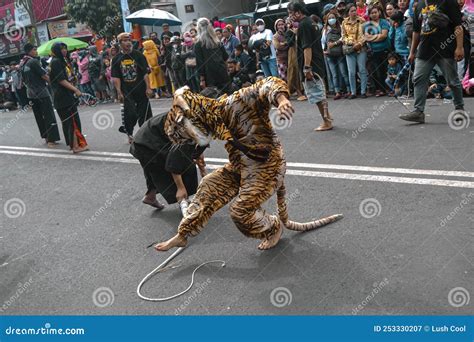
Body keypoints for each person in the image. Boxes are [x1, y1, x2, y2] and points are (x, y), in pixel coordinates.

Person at [399, 0, 465, 123]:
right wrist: (412, 52)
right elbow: (416, 31)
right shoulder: (419, 5)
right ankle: (418, 111)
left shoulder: (448, 2)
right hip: (425, 50)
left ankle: (459, 108)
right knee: (418, 78)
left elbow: (458, 26)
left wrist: (459, 47)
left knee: (452, 80)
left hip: (445, 48)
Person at [130, 110, 208, 211]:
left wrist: (203, 170)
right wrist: (180, 188)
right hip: (147, 142)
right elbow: (174, 160)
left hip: (144, 140)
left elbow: (198, 147)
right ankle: (184, 200)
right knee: (185, 166)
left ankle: (151, 196)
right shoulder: (188, 124)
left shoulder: (199, 119)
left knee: (156, 171)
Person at [288, 0, 333, 131]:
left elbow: (307, 48)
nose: (290, 15)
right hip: (318, 61)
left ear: (298, 12)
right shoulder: (310, 22)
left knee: (317, 94)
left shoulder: (304, 25)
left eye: (291, 13)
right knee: (320, 92)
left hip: (312, 64)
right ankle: (328, 117)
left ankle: (326, 121)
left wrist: (307, 67)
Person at [111, 32, 153, 142]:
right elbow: (116, 77)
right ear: (120, 43)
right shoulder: (116, 59)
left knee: (144, 112)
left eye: (129, 40)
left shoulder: (139, 55)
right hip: (126, 91)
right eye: (125, 41)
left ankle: (145, 134)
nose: (128, 43)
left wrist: (148, 87)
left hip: (141, 89)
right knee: (130, 113)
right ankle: (129, 133)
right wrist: (119, 92)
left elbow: (145, 73)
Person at [48, 42, 89, 153]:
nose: (64, 50)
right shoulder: (56, 62)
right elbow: (61, 80)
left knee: (70, 121)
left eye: (65, 48)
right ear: (56, 51)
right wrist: (75, 89)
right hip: (63, 97)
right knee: (71, 122)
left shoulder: (60, 61)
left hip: (64, 96)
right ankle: (75, 146)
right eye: (61, 49)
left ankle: (74, 145)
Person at [20, 43, 60, 147]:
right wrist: (56, 83)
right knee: (48, 115)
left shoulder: (23, 63)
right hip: (42, 93)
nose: (36, 51)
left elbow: (23, 81)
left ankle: (46, 137)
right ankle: (51, 139)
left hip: (31, 94)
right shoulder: (33, 61)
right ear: (29, 51)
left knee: (39, 116)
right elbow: (44, 76)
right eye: (34, 49)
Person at [194, 17, 231, 93]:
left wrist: (202, 80)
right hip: (222, 73)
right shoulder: (217, 42)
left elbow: (200, 64)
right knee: (226, 97)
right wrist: (227, 71)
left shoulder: (198, 44)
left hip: (209, 76)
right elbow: (226, 58)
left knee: (214, 99)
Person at [364, 5, 391, 97]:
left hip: (385, 50)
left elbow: (384, 35)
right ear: (369, 15)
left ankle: (388, 88)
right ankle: (380, 89)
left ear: (379, 13)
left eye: (375, 12)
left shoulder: (383, 22)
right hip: (374, 51)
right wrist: (377, 37)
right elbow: (366, 37)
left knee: (386, 69)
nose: (374, 14)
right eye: (372, 13)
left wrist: (372, 38)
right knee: (376, 71)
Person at [341, 4, 368, 98]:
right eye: (352, 11)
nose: (354, 12)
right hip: (350, 48)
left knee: (362, 70)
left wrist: (359, 44)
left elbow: (365, 35)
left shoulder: (362, 20)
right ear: (348, 12)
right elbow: (343, 36)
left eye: (355, 10)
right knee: (351, 72)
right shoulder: (344, 22)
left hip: (361, 48)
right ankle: (353, 92)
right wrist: (350, 43)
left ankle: (363, 91)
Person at [323, 12, 350, 100]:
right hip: (329, 55)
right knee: (334, 74)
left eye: (333, 17)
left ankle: (348, 90)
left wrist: (334, 43)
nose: (331, 19)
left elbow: (343, 38)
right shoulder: (325, 30)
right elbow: (322, 41)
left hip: (339, 53)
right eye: (329, 18)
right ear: (327, 20)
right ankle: (337, 92)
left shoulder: (341, 27)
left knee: (343, 73)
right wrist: (324, 49)